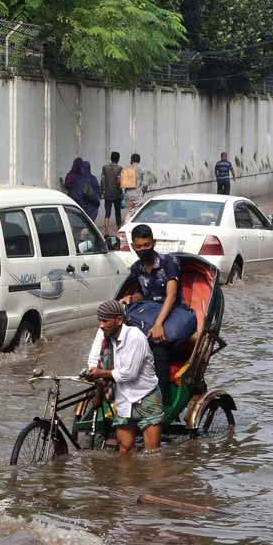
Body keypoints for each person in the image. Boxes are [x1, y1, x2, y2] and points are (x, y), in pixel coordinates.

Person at [121, 225, 196, 395]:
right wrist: (130, 299)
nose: (143, 250)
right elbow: (141, 294)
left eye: (146, 245)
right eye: (138, 247)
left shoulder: (169, 263)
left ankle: (163, 399)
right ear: (133, 247)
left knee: (158, 346)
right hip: (150, 316)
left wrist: (158, 324)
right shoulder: (135, 269)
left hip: (174, 316)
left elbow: (171, 295)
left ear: (153, 243)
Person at [82, 300, 163, 454]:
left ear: (119, 320)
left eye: (105, 321)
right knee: (124, 450)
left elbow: (128, 374)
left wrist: (100, 373)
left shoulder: (135, 338)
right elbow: (102, 366)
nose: (101, 325)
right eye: (100, 320)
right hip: (124, 399)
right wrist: (98, 394)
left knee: (152, 455)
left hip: (146, 399)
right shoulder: (108, 340)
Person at [101, 151, 125, 235]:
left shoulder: (105, 167)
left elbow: (102, 180)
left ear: (111, 158)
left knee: (107, 212)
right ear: (118, 159)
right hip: (117, 193)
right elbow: (120, 182)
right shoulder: (120, 168)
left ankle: (106, 231)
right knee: (117, 212)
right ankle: (119, 229)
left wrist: (103, 191)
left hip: (107, 193)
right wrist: (121, 191)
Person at [122, 153, 148, 220]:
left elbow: (123, 182)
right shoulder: (142, 169)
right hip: (138, 196)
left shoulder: (126, 168)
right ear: (139, 160)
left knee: (129, 213)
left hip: (128, 196)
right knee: (137, 215)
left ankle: (127, 226)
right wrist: (142, 194)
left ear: (131, 160)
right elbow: (145, 184)